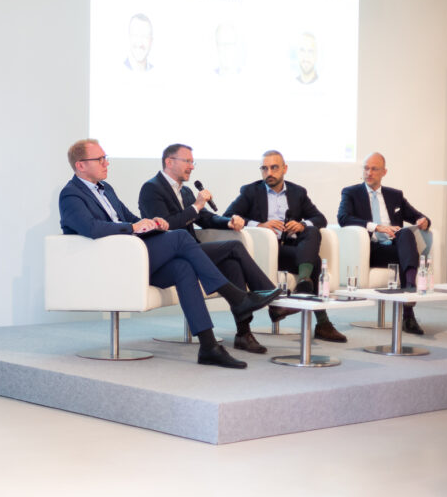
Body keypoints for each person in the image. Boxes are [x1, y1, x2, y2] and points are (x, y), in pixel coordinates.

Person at [58, 139, 282, 369]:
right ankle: (237, 298)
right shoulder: (71, 195)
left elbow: (129, 218)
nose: (106, 163)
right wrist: (133, 227)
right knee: (181, 237)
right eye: (100, 159)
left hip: (134, 257)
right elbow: (91, 228)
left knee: (182, 268)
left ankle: (209, 347)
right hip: (114, 263)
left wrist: (152, 223)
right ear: (80, 165)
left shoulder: (106, 189)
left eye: (106, 158)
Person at [138, 144, 299, 355]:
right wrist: (196, 206)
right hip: (172, 256)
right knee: (234, 247)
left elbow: (205, 218)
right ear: (169, 162)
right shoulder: (152, 188)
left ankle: (243, 334)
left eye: (192, 162)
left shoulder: (185, 191)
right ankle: (274, 304)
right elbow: (167, 226)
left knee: (232, 263)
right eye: (187, 161)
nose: (191, 167)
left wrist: (228, 222)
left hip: (193, 251)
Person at [224, 150, 348, 342]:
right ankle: (322, 322)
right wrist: (260, 225)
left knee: (312, 231)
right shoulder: (250, 191)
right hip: (266, 250)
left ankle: (304, 283)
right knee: (314, 261)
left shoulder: (298, 192)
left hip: (291, 249)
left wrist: (301, 225)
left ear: (284, 169)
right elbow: (229, 217)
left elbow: (319, 218)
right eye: (264, 168)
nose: (269, 173)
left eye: (274, 168)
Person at [337, 152, 432, 334]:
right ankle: (409, 310)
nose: (369, 173)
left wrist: (423, 221)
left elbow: (416, 216)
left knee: (405, 233)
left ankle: (409, 288)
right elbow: (343, 218)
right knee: (407, 255)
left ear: (384, 172)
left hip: (394, 247)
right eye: (366, 168)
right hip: (371, 249)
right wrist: (376, 227)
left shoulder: (394, 195)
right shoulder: (351, 193)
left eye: (374, 169)